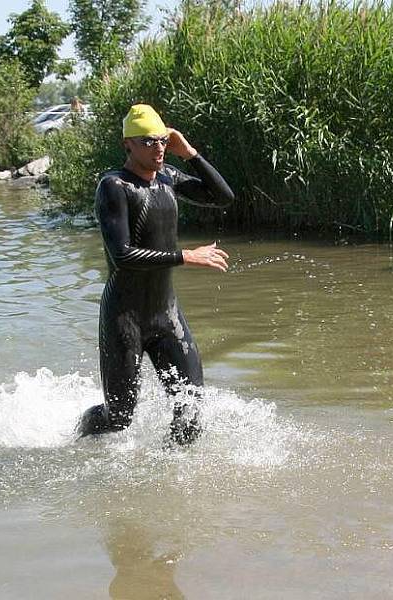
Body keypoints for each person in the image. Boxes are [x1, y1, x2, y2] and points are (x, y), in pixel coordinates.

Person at [77, 104, 234, 445]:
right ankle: (82, 431)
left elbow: (223, 197)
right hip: (124, 318)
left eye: (162, 140)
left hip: (167, 317)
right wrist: (184, 256)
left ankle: (170, 484)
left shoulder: (168, 178)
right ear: (127, 145)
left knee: (190, 410)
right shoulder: (113, 186)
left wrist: (190, 153)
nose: (159, 147)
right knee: (119, 418)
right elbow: (122, 255)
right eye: (148, 141)